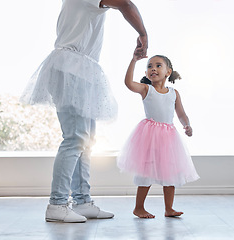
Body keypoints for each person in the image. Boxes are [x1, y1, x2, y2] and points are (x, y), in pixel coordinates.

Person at [20, 0, 148, 223]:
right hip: (71, 67)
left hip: (80, 67)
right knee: (75, 139)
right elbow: (126, 4)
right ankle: (57, 204)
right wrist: (143, 34)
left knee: (86, 141)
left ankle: (82, 201)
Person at [117, 49, 200, 219]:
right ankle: (138, 207)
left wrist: (187, 125)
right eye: (149, 66)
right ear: (146, 73)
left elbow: (181, 114)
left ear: (168, 72)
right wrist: (134, 61)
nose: (152, 68)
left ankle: (169, 208)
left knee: (170, 172)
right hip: (149, 136)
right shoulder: (146, 89)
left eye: (158, 65)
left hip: (169, 137)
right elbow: (128, 83)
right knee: (145, 171)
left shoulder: (173, 93)